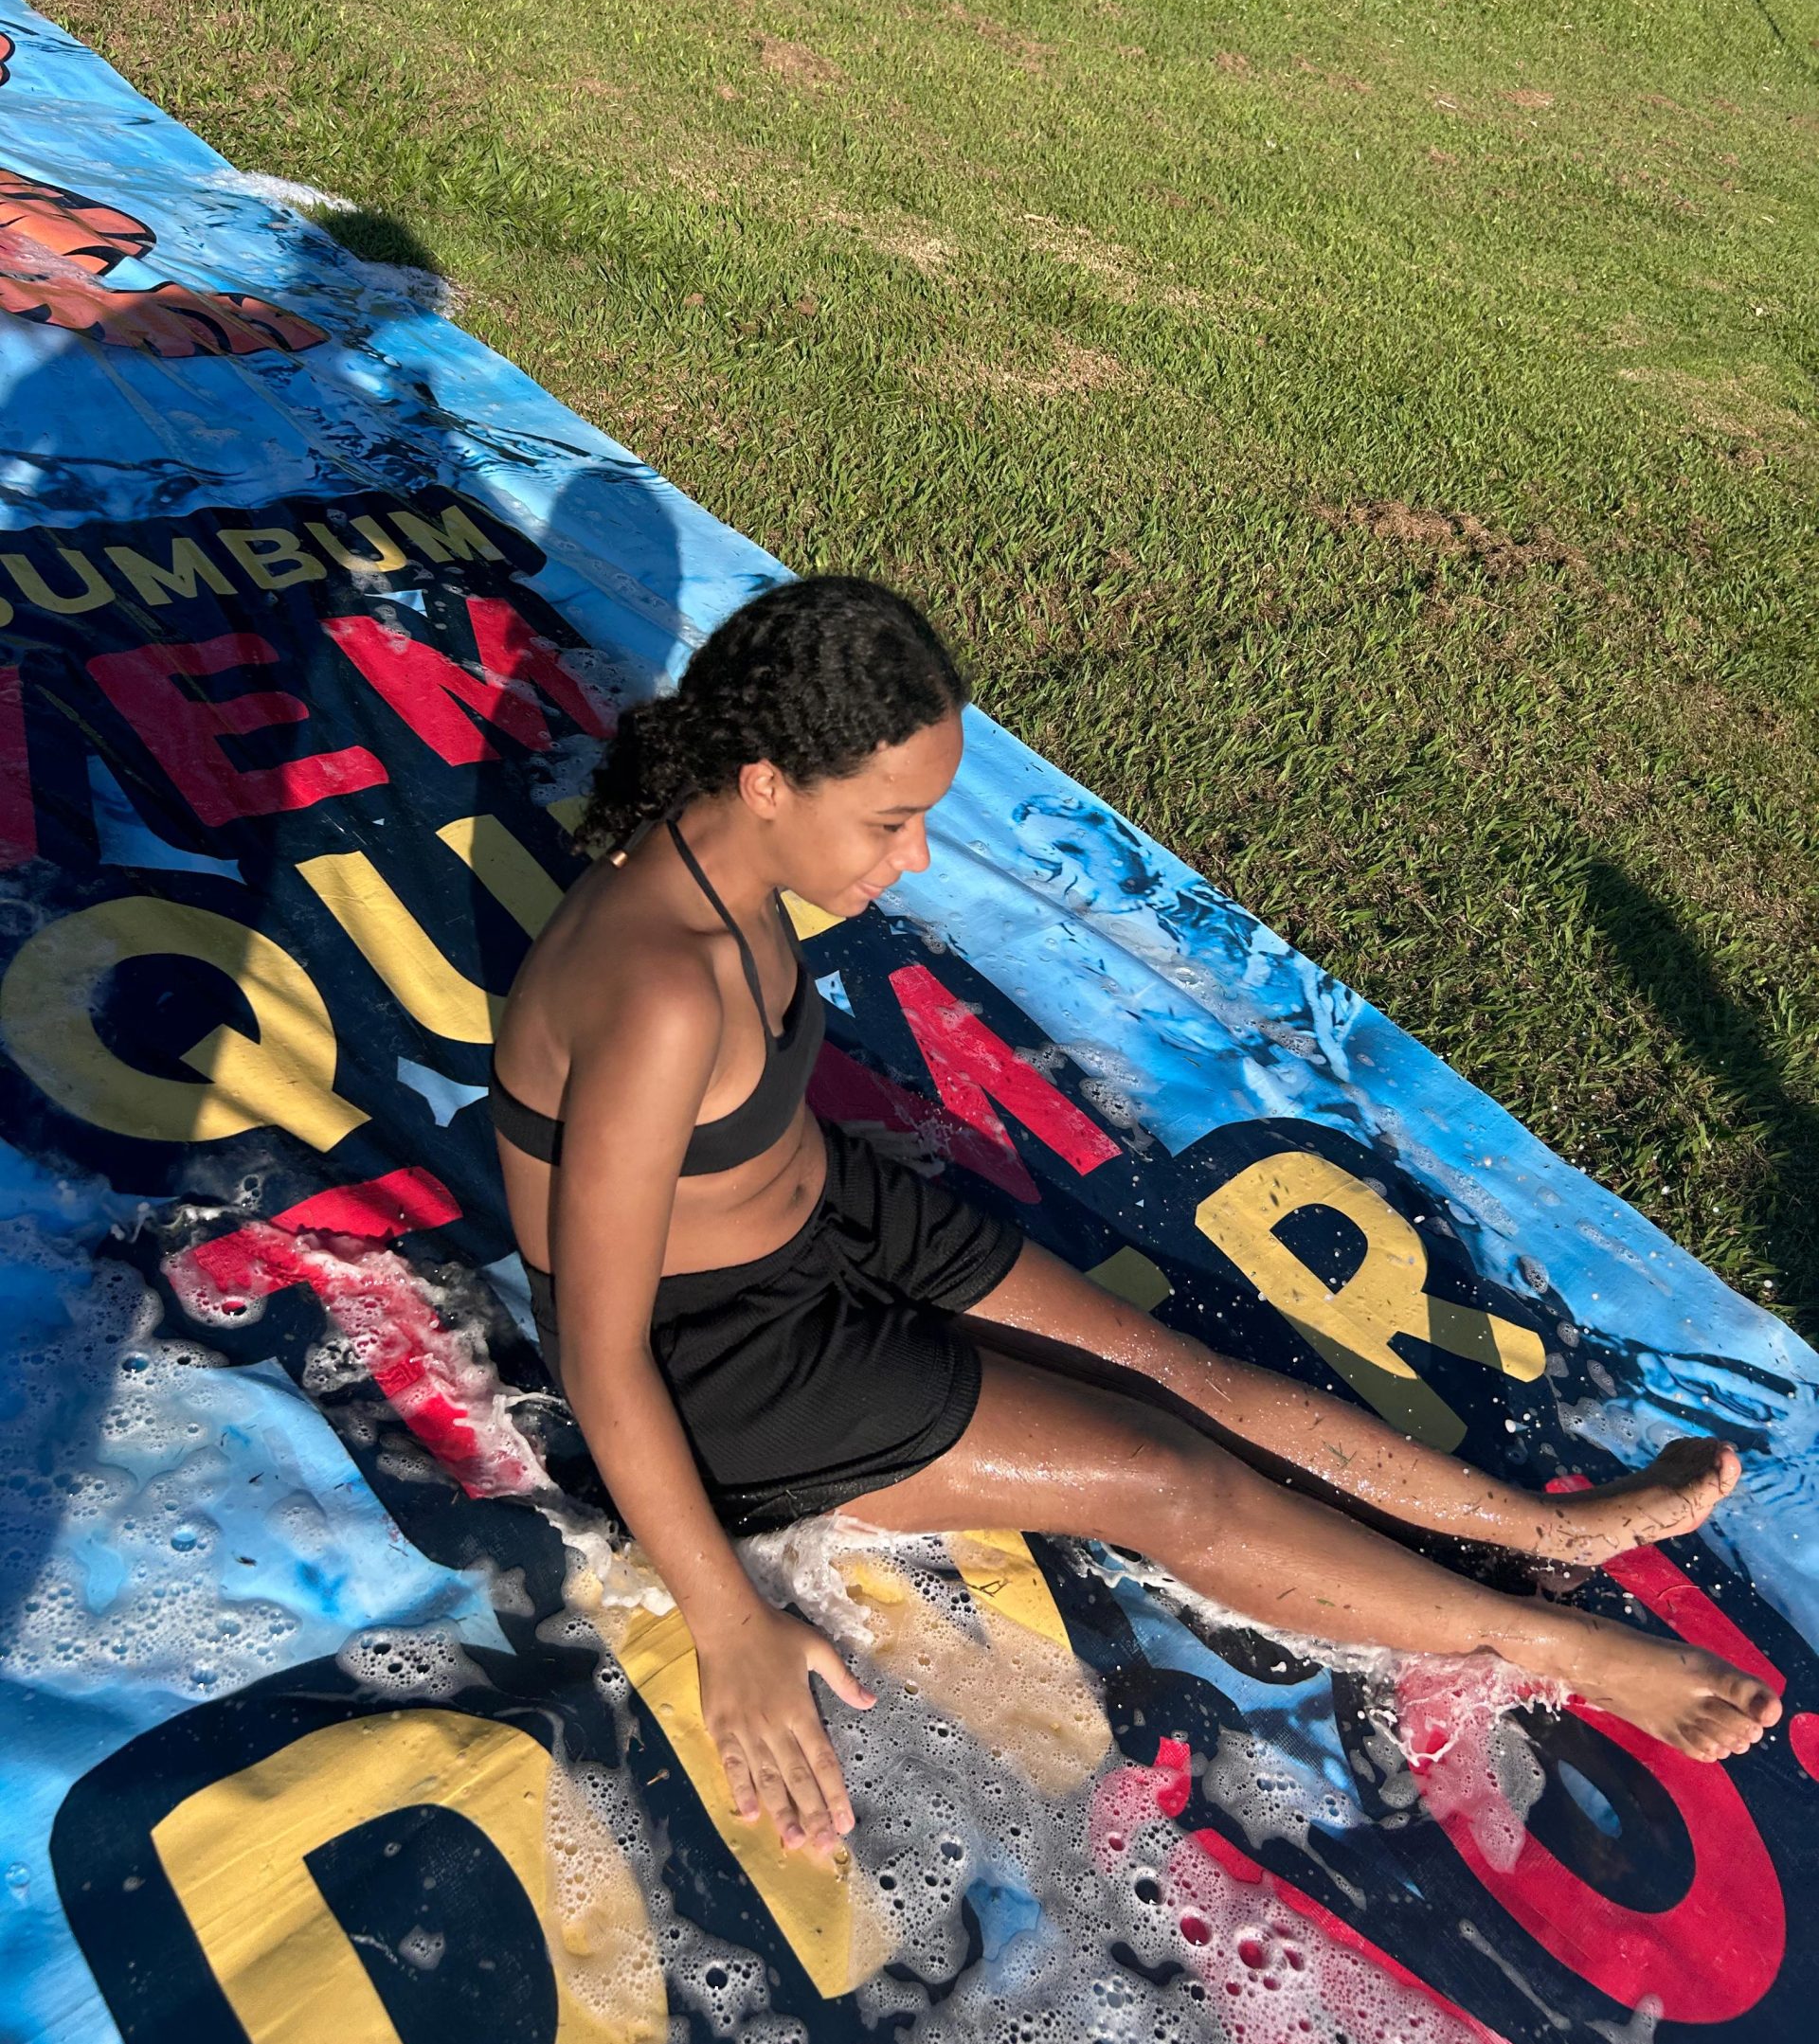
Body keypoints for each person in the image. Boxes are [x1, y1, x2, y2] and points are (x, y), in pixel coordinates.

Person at [490, 575, 1777, 1863]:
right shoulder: (659, 993)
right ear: (767, 781)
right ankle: (1558, 1644)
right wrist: (731, 1627)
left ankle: (1554, 1530)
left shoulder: (731, 854)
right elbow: (601, 1356)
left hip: (827, 1211)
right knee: (1166, 1478)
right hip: (731, 1362)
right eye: (891, 822)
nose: (918, 857)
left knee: (1171, 1369)